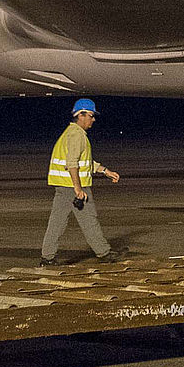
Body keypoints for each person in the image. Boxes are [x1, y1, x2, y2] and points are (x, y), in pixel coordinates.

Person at [41, 98, 122, 265]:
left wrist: (105, 171)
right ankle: (104, 253)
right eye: (91, 116)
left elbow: (84, 162)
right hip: (74, 187)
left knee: (57, 223)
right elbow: (72, 163)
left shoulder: (70, 133)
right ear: (81, 115)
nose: (93, 120)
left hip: (63, 186)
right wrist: (78, 188)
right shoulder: (76, 135)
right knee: (89, 219)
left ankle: (47, 257)